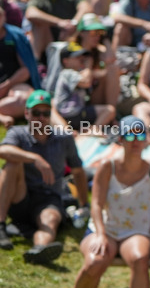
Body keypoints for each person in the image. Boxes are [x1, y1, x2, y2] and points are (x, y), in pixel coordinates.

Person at [69, 116, 150, 288]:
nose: (135, 140)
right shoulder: (107, 166)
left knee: (140, 258)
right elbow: (96, 204)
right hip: (106, 228)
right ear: (120, 139)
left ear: (146, 139)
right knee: (96, 261)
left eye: (140, 134)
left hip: (136, 231)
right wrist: (101, 234)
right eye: (130, 135)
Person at [0, 90, 87, 262]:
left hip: (48, 199)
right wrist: (34, 158)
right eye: (36, 113)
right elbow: (3, 150)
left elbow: (78, 171)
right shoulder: (18, 133)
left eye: (46, 113)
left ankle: (39, 249)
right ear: (27, 113)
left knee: (51, 219)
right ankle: (0, 224)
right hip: (20, 196)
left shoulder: (64, 138)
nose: (41, 118)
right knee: (13, 163)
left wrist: (85, 205)